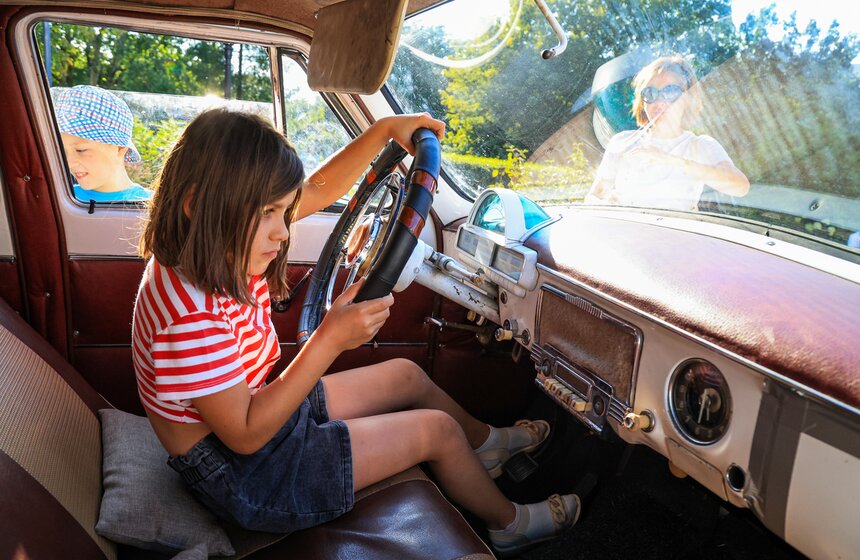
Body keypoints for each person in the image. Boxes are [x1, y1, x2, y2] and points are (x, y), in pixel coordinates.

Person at [131, 108, 579, 557]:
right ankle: (509, 523)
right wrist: (329, 339)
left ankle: (488, 445)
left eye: (285, 211)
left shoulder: (215, 245)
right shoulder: (189, 314)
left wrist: (384, 132)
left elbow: (320, 189)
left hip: (254, 423)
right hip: (248, 475)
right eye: (268, 213)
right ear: (196, 204)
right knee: (436, 431)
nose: (282, 233)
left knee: (404, 375)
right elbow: (246, 435)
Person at [586, 55, 749, 210]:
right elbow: (595, 196)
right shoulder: (622, 141)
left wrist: (669, 159)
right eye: (649, 93)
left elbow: (740, 187)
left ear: (687, 99)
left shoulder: (699, 145)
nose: (659, 101)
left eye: (670, 92)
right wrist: (606, 206)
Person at [54, 85, 153, 202]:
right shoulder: (59, 199)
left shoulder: (151, 204)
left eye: (81, 150)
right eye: (63, 151)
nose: (69, 163)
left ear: (120, 148)